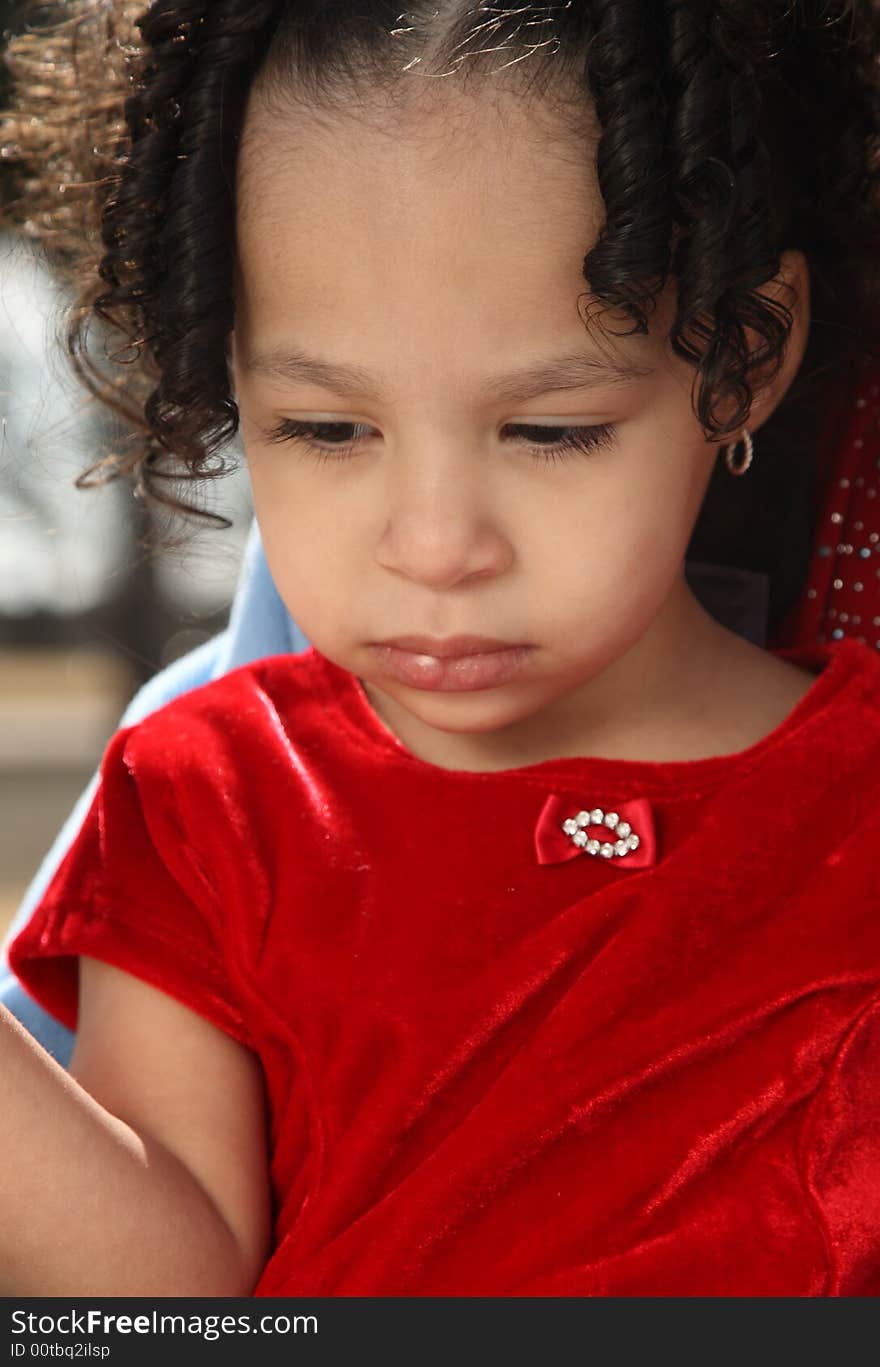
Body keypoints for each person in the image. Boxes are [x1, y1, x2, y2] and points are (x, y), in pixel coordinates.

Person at [1, 0, 879, 1298]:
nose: (434, 545)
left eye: (550, 432)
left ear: (746, 354)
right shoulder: (205, 797)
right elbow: (159, 1298)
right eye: (323, 430)